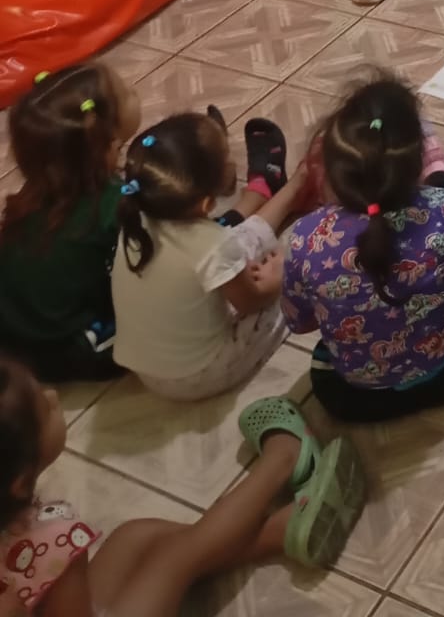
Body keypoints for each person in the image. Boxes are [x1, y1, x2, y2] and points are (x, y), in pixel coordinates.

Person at [0, 356, 365, 615]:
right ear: (19, 482)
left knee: (134, 536)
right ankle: (284, 458)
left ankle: (279, 532)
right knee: (172, 558)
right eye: (44, 409)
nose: (53, 397)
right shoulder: (54, 538)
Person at [282, 70, 444, 421]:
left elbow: (300, 322)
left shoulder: (304, 237)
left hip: (355, 401)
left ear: (332, 173)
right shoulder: (440, 208)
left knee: (321, 371)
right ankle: (440, 171)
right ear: (412, 169)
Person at [110, 112, 303, 401]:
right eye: (227, 156)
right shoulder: (212, 244)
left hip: (146, 371)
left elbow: (206, 251)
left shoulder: (136, 219)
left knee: (232, 245)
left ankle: (290, 193)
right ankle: (287, 190)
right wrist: (279, 276)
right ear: (207, 203)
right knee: (298, 278)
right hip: (198, 376)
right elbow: (251, 301)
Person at [0, 64, 140, 382]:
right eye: (125, 92)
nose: (134, 91)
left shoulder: (33, 192)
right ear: (107, 141)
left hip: (12, 334)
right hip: (65, 349)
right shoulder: (116, 203)